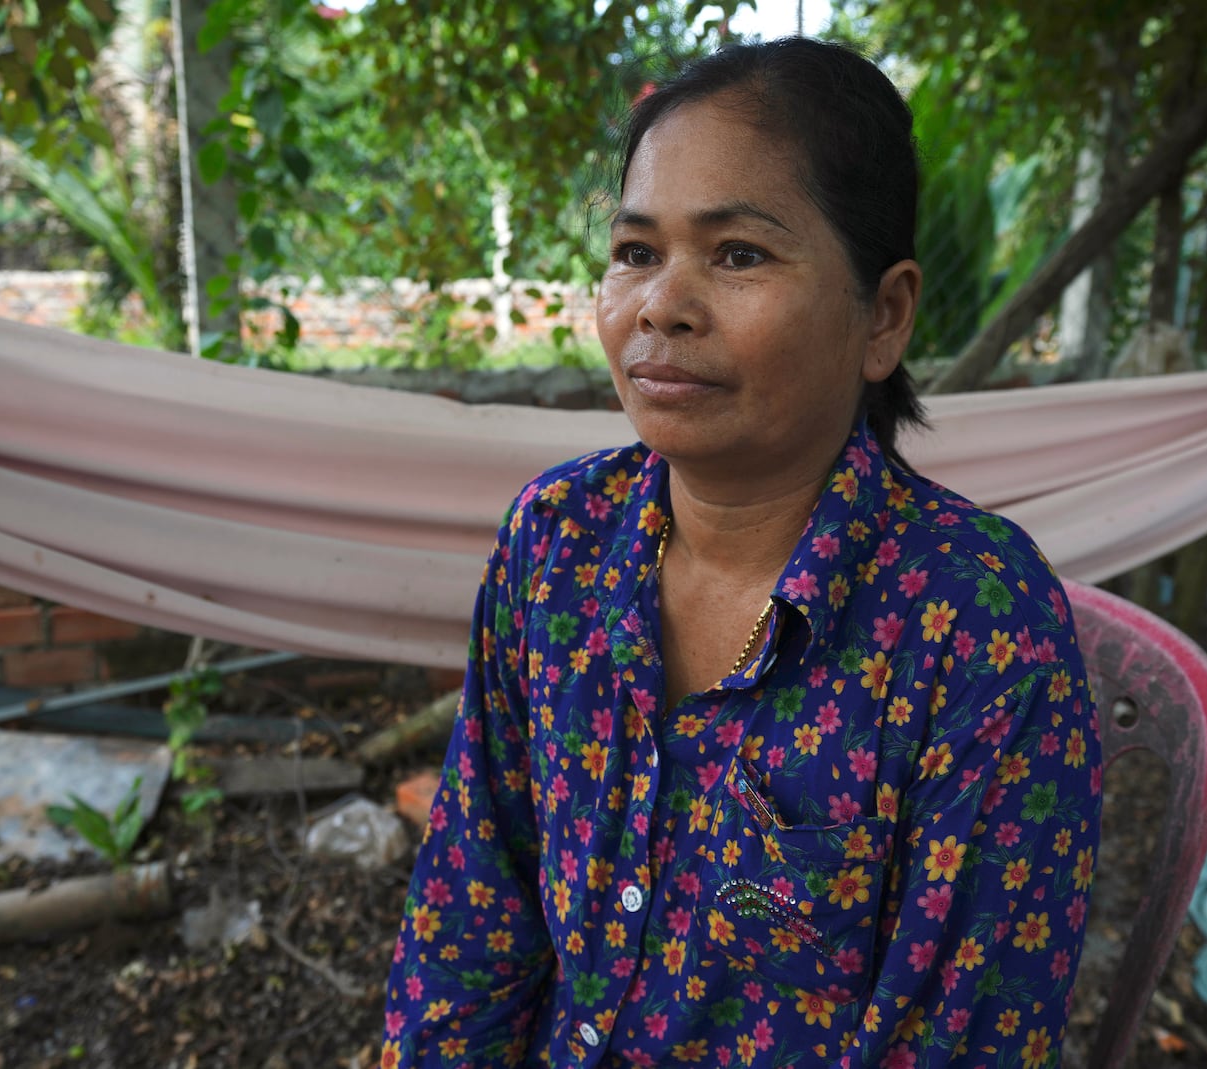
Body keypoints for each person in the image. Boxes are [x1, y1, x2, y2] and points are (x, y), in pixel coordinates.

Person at [381, 37, 1101, 1069]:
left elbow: (964, 1040)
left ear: (882, 315)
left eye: (738, 255)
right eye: (635, 251)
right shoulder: (555, 544)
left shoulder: (976, 627)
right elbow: (469, 912)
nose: (660, 306)